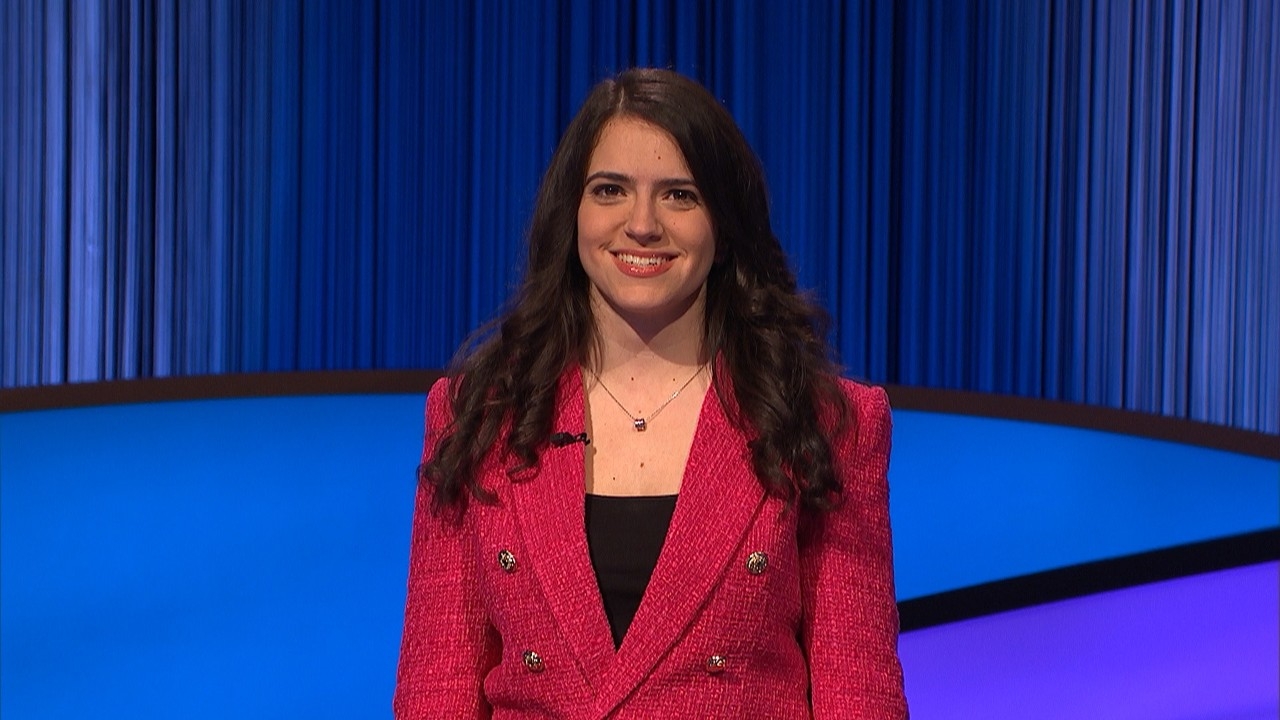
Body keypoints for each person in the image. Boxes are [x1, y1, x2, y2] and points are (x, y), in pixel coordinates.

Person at [393, 68, 908, 719]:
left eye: (679, 196)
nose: (641, 224)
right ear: (572, 212)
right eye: (610, 190)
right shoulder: (478, 415)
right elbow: (436, 688)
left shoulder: (827, 423)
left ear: (724, 227)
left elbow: (856, 692)